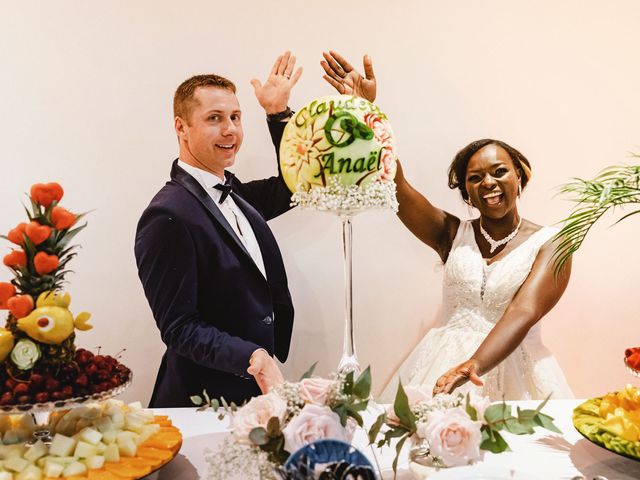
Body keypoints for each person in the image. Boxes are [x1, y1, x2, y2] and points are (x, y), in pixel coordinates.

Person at [320, 51, 574, 400]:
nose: (489, 182)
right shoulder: (451, 234)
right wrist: (366, 114)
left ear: (520, 175)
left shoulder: (553, 242)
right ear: (466, 191)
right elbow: (398, 185)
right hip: (437, 368)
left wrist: (472, 366)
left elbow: (524, 310)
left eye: (499, 171)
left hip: (514, 375)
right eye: (475, 177)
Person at [135, 51, 302, 407]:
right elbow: (179, 327)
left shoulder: (234, 194)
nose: (230, 130)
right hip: (201, 403)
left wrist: (278, 115)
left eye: (236, 117)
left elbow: (295, 186)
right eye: (214, 118)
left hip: (249, 399)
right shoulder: (167, 215)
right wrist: (252, 356)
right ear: (181, 127)